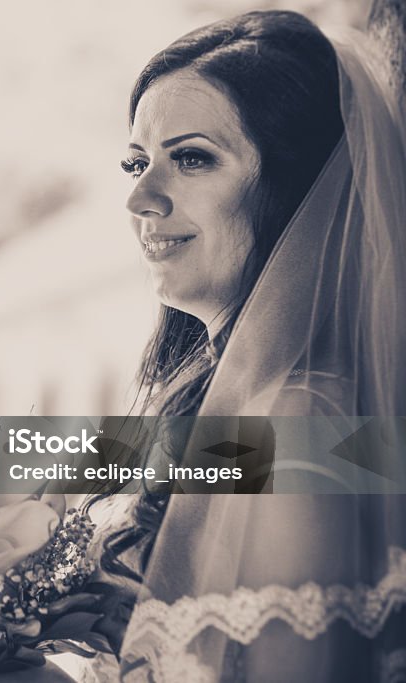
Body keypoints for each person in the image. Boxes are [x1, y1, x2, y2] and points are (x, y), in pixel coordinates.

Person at [82, 9, 406, 682]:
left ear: (297, 188)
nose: (139, 197)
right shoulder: (239, 403)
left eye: (193, 158)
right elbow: (68, 452)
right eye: (137, 162)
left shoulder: (301, 421)